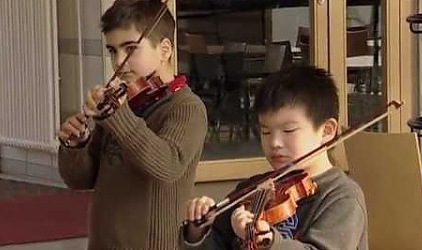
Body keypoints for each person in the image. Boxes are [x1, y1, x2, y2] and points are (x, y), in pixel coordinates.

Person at [57, 0, 207, 249]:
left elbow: (166, 167)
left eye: (130, 49)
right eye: (113, 50)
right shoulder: (122, 106)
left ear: (165, 49)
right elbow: (81, 180)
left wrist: (117, 115)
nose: (119, 62)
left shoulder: (186, 108)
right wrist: (77, 144)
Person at [181, 65, 368, 249]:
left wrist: (270, 242)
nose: (275, 142)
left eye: (289, 130)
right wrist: (198, 231)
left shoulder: (342, 197)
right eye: (265, 132)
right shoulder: (253, 190)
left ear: (327, 131)